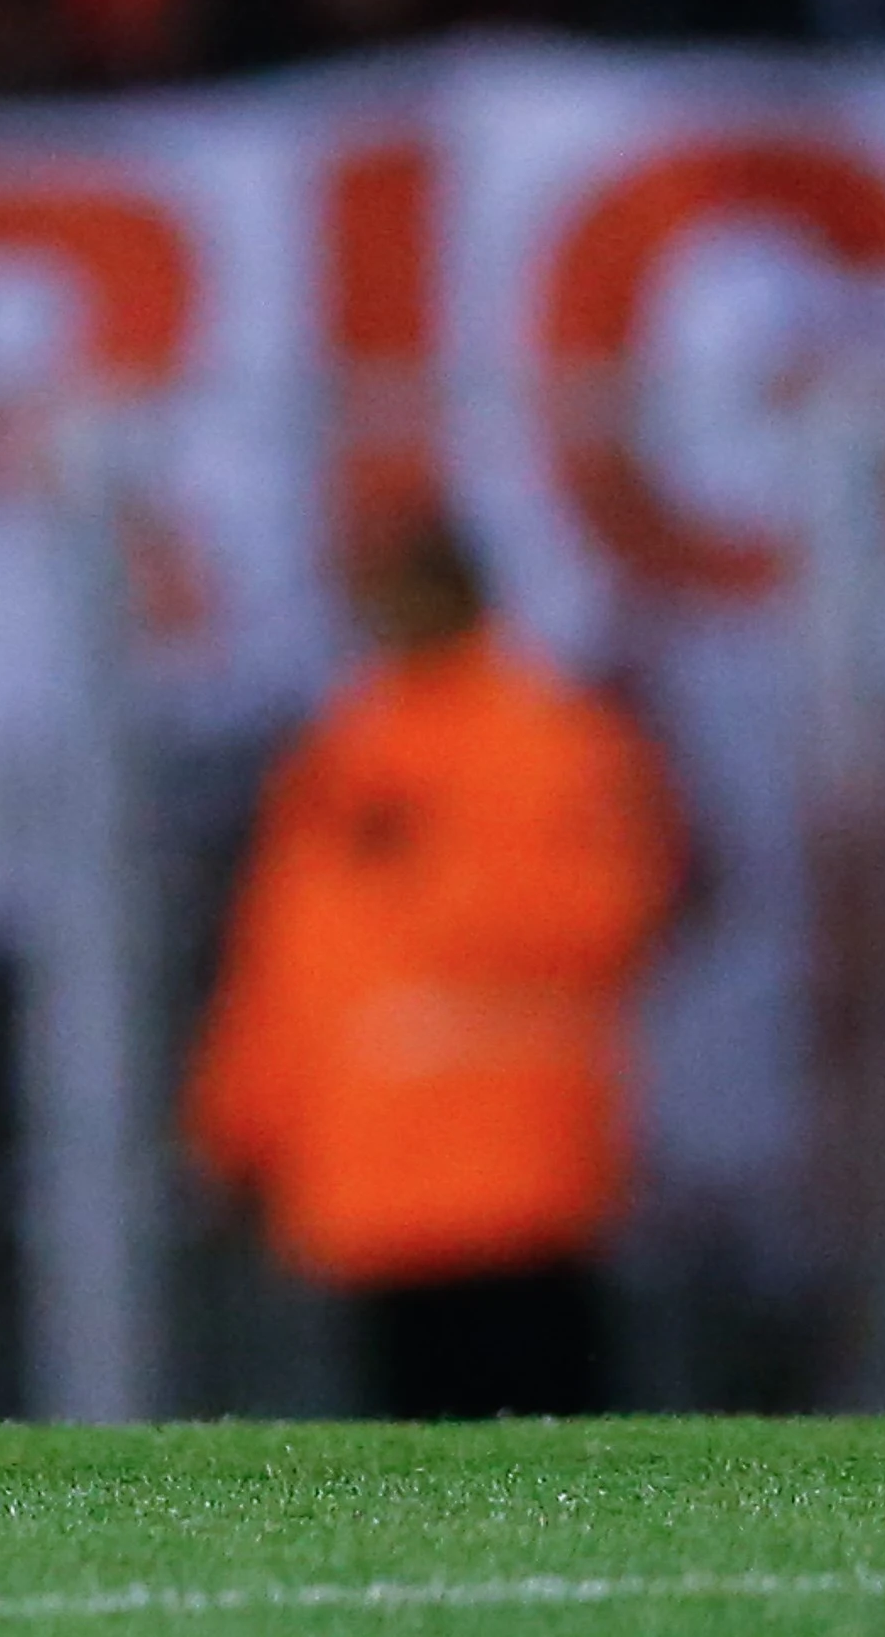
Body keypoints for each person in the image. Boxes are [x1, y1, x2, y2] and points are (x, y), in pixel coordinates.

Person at [184, 511, 680, 1418]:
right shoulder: (344, 747)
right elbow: (288, 962)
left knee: (549, 1435)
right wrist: (239, 1128)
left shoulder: (551, 738)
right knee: (412, 1449)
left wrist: (431, 875)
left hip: (519, 1174)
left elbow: (611, 915)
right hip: (374, 1183)